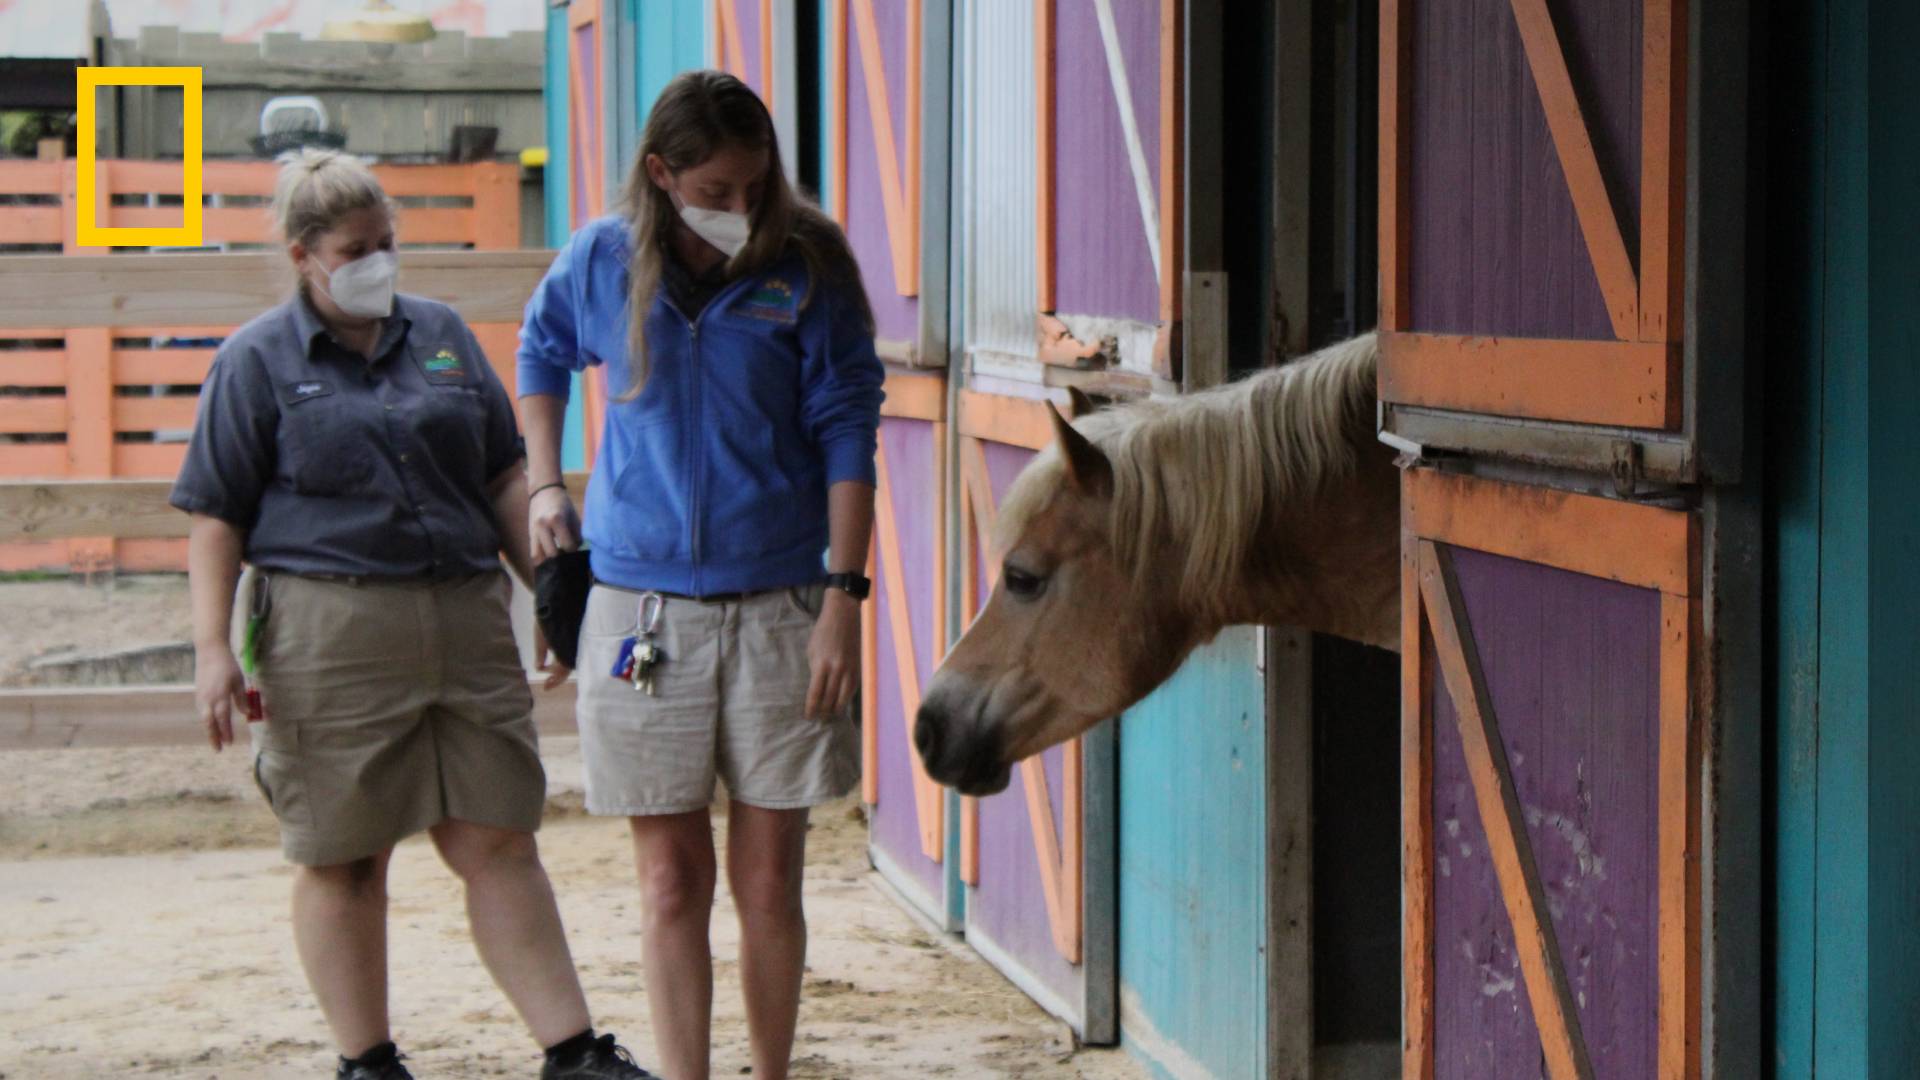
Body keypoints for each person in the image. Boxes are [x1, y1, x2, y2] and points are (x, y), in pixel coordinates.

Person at [173, 148, 654, 1080]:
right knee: (344, 852)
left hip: (467, 615)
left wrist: (554, 601)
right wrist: (212, 650)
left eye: (388, 242)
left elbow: (502, 474)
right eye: (356, 248)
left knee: (498, 834)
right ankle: (369, 1060)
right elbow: (215, 517)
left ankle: (574, 1051)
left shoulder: (438, 334)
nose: (378, 262)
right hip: (330, 631)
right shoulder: (255, 361)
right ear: (303, 254)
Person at [516, 70, 884, 1080]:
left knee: (770, 881)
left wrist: (843, 600)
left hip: (781, 607)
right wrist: (546, 486)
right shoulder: (599, 259)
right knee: (672, 881)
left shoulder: (809, 264)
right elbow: (540, 350)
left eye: (755, 186)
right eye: (717, 190)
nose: (741, 209)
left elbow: (851, 428)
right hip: (642, 613)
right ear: (661, 175)